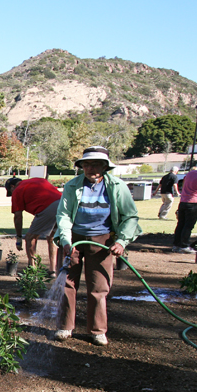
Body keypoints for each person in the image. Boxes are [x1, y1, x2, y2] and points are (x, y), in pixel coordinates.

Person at [54, 146, 142, 346]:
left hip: (103, 240)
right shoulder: (72, 186)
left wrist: (121, 241)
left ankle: (97, 330)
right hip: (74, 239)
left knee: (99, 286)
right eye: (86, 164)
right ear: (81, 166)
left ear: (104, 167)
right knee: (67, 283)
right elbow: (64, 215)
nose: (90, 168)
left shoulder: (118, 187)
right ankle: (65, 326)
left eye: (95, 164)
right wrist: (66, 241)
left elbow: (130, 216)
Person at [5, 176, 61, 275]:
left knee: (30, 238)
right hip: (63, 204)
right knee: (52, 237)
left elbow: (18, 217)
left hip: (48, 208)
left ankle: (32, 269)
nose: (12, 194)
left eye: (10, 191)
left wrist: (18, 237)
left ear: (12, 186)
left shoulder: (18, 190)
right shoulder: (38, 180)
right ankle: (53, 269)